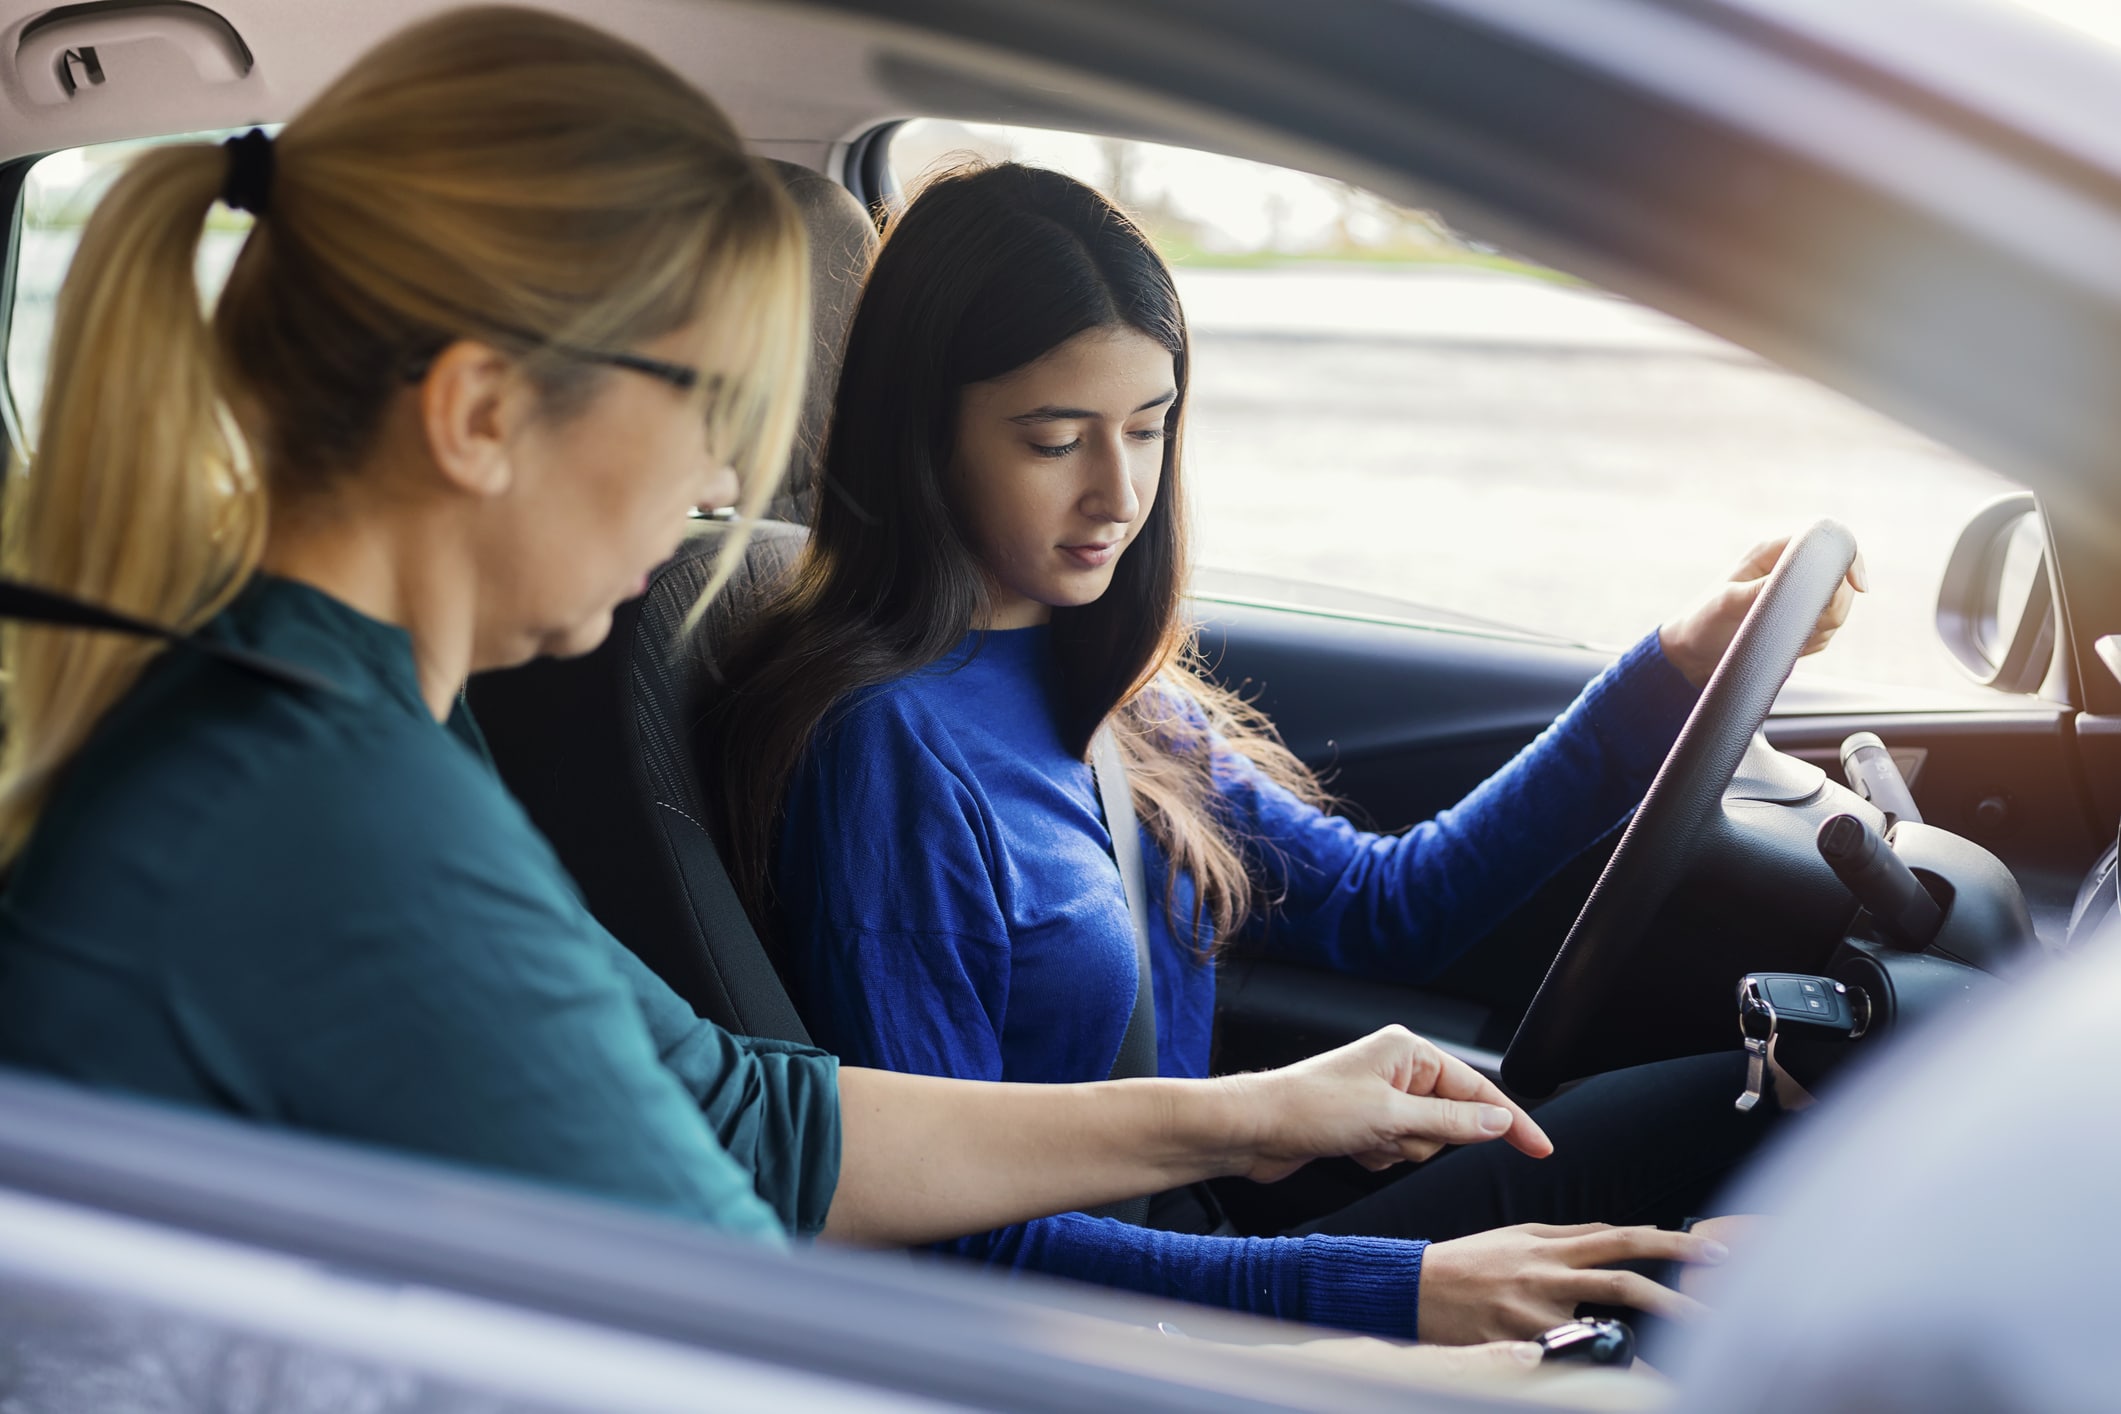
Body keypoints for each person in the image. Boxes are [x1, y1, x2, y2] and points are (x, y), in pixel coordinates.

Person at [0, 9, 1561, 1270]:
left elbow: (752, 1119)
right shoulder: (324, 808)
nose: (728, 489)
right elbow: (720, 1293)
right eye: (709, 411)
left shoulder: (356, 729)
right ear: (482, 415)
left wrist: (1243, 1117)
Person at [708, 162, 1864, 1341]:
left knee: (1768, 1100)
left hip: (1202, 1249)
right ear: (925, 437)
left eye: (1149, 429)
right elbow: (944, 1244)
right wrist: (1393, 1293)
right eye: (1055, 440)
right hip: (1128, 1324)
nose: (1120, 493)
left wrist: (1679, 662)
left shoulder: (1110, 686)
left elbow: (1386, 905)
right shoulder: (889, 756)